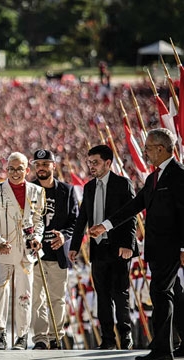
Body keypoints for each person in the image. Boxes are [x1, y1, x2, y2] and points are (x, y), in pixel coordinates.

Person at [89, 129, 184, 360]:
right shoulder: (153, 178)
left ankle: (162, 351)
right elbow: (134, 206)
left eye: (149, 148)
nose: (145, 152)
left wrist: (183, 247)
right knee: (176, 294)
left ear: (161, 149)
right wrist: (105, 225)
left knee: (160, 293)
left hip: (172, 247)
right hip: (156, 247)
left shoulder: (179, 175)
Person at [68, 144, 137, 351]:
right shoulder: (89, 187)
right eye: (89, 163)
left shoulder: (123, 184)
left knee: (120, 295)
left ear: (108, 163)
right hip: (97, 250)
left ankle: (125, 338)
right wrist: (74, 246)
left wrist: (128, 245)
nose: (91, 166)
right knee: (103, 297)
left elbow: (131, 217)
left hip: (118, 249)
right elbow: (82, 219)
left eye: (95, 162)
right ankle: (107, 339)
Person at [0, 152, 46, 351]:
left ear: (27, 170)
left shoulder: (37, 191)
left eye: (20, 168)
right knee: (1, 291)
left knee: (25, 294)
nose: (15, 172)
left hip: (27, 251)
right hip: (3, 250)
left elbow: (39, 221)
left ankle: (22, 336)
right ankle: (1, 335)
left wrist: (37, 237)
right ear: (6, 170)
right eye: (11, 168)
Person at [29, 149, 78, 350]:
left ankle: (55, 337)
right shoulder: (28, 189)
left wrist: (64, 236)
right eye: (38, 165)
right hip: (34, 254)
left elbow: (76, 221)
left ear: (53, 166)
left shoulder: (66, 190)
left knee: (57, 299)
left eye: (45, 164)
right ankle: (40, 339)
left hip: (58, 253)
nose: (41, 168)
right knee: (36, 299)